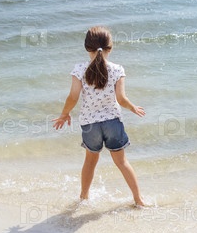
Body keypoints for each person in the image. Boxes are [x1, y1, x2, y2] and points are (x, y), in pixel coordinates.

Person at [53, 26, 146, 206]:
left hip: (90, 124)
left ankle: (83, 198)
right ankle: (138, 199)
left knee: (90, 161)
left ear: (87, 47)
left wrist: (64, 114)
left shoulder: (79, 69)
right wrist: (132, 107)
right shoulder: (117, 69)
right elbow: (121, 99)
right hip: (112, 123)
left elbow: (73, 97)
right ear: (110, 47)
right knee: (122, 162)